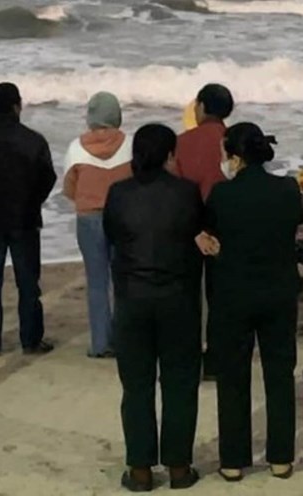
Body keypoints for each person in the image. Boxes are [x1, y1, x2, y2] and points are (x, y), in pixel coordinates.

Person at [104, 124, 204, 492]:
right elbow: (196, 235)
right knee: (180, 384)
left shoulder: (119, 193)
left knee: (136, 386)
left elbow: (112, 236)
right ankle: (179, 468)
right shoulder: (186, 192)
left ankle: (141, 470)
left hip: (133, 298)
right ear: (168, 154)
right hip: (178, 298)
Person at [203, 123, 302, 482]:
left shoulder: (221, 194)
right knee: (279, 374)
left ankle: (233, 460)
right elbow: (294, 225)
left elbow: (211, 233)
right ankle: (280, 458)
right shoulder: (288, 189)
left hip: (233, 294)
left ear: (236, 157)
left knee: (233, 375)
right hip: (279, 292)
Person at [0, 82, 56, 356]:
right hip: (25, 220)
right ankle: (30, 339)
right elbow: (48, 178)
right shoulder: (33, 141)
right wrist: (33, 202)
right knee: (28, 283)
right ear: (17, 106)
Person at [64, 91, 132, 358]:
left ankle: (100, 343)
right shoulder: (129, 145)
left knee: (96, 281)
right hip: (123, 216)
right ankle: (123, 338)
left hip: (89, 217)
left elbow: (70, 189)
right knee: (123, 279)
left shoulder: (75, 148)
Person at [174, 83, 234, 379]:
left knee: (189, 293)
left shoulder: (182, 142)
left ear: (202, 107)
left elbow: (174, 189)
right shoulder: (235, 140)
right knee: (221, 294)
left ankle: (189, 355)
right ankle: (218, 357)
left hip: (190, 224)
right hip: (227, 225)